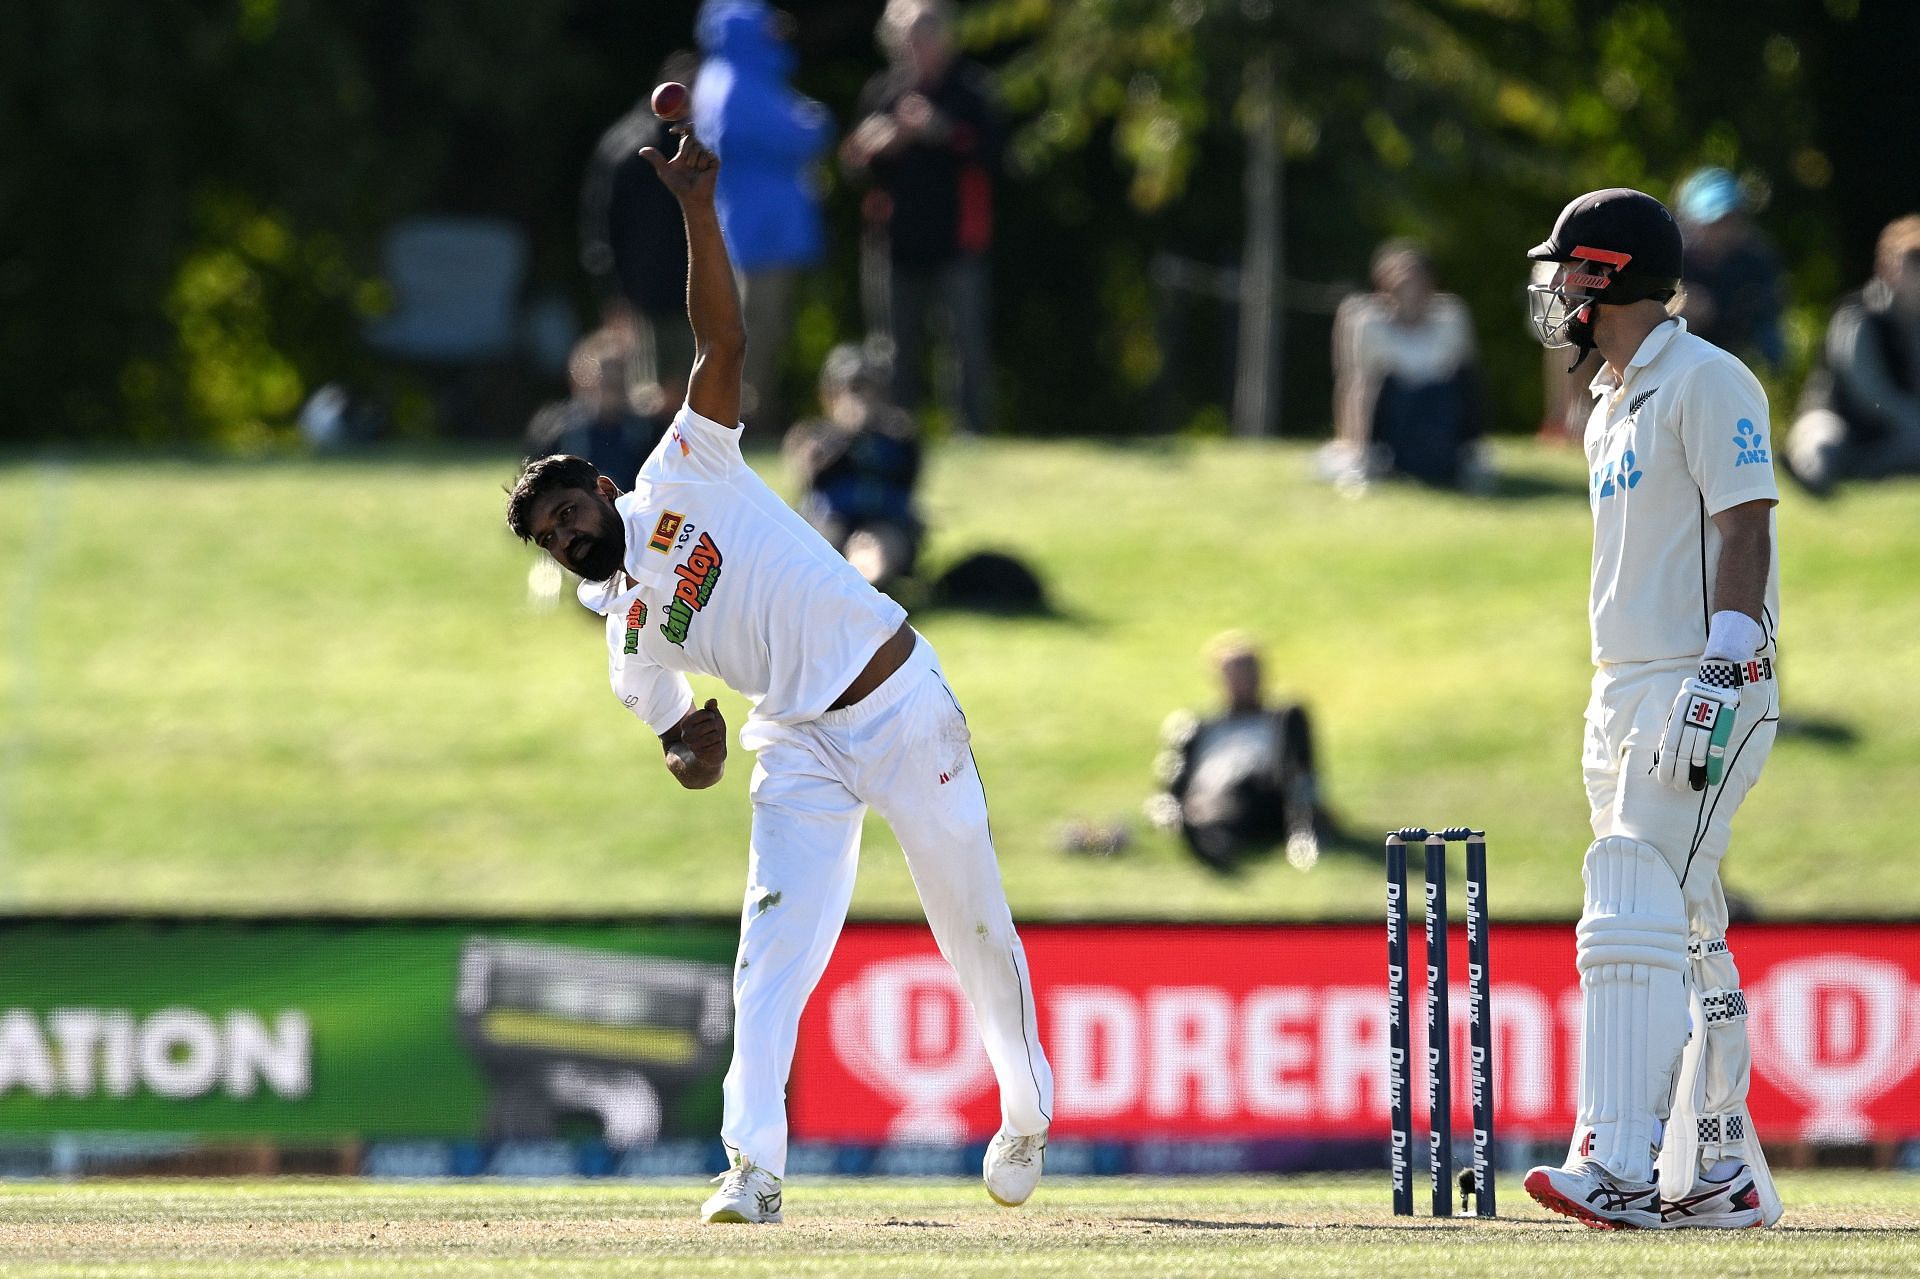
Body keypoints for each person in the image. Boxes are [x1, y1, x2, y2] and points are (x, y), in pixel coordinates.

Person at [504, 125, 1051, 1225]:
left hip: (896, 697)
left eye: (573, 511)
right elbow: (677, 741)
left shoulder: (684, 471)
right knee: (767, 962)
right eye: (554, 537)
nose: (570, 535)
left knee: (970, 919)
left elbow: (722, 342)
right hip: (796, 745)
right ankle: (751, 1169)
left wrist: (697, 207)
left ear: (606, 489)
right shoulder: (627, 648)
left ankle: (1026, 1109)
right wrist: (689, 755)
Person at [1520, 189, 1784, 1230]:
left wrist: (1723, 666)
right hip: (1622, 684)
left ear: (1611, 272)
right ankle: (1716, 1169)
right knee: (1685, 927)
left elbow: (1747, 523)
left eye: (1570, 271)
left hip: (1704, 674)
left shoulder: (1710, 380)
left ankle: (1619, 1161)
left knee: (1627, 903)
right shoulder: (1612, 401)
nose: (1558, 293)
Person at [841, 0, 1000, 436]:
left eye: (927, 36)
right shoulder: (881, 94)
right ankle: (897, 433)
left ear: (945, 38)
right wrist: (881, 145)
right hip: (893, 241)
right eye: (908, 38)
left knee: (965, 342)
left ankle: (971, 431)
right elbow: (851, 165)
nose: (916, 47)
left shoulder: (970, 92)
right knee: (893, 347)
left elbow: (994, 155)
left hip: (957, 239)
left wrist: (939, 131)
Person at [694, 1, 833, 433]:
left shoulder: (725, 76)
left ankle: (745, 418)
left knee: (755, 327)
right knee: (758, 330)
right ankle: (745, 422)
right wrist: (815, 123)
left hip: (750, 225)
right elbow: (803, 132)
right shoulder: (740, 83)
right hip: (762, 230)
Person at [579, 51, 700, 398]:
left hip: (696, 288)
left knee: (697, 396)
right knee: (648, 395)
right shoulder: (628, 146)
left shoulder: (704, 145)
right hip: (645, 295)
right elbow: (599, 229)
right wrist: (613, 294)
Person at [1148, 636, 1322, 873]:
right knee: (1207, 808)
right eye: (1233, 675)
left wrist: (1304, 826)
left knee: (1239, 793)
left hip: (1261, 797)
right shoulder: (1198, 726)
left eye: (1247, 673)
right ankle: (1208, 840)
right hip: (1206, 800)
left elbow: (1300, 773)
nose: (1241, 682)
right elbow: (1171, 783)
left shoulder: (1283, 719)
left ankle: (1212, 842)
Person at [1326, 241, 1485, 491]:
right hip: (1395, 417)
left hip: (1439, 414)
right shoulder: (1366, 321)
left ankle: (1469, 457)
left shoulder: (1451, 316)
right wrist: (1355, 446)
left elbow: (1467, 379)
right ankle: (1368, 458)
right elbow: (1357, 385)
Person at [1786, 214, 1920, 493]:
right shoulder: (1857, 315)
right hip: (1835, 419)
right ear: (1888, 268)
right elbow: (1869, 392)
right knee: (1822, 445)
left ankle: (1857, 472)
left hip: (1888, 435)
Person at [782, 343, 924, 587]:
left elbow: (907, 482)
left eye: (865, 389)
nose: (857, 397)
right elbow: (807, 477)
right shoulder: (813, 435)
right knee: (825, 550)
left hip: (884, 524)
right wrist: (845, 434)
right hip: (829, 523)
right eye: (848, 389)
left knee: (876, 552)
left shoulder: (898, 436)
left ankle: (866, 589)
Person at [525, 328, 671, 488]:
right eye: (608, 383)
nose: (614, 388)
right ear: (587, 379)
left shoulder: (645, 433)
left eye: (619, 381)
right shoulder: (563, 434)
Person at [1674, 168, 1786, 369]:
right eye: (1714, 222)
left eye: (1730, 219)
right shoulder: (1671, 259)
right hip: (1679, 365)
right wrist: (1676, 308)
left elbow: (1768, 324)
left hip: (1738, 363)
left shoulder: (1754, 262)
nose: (1723, 230)